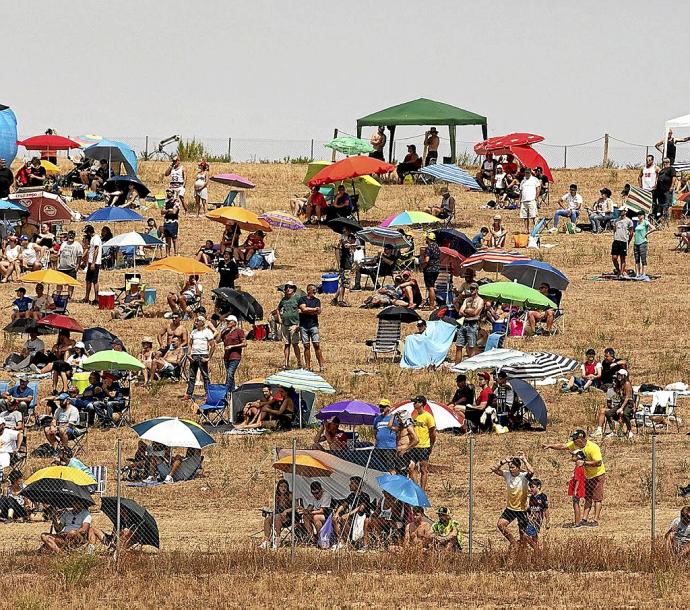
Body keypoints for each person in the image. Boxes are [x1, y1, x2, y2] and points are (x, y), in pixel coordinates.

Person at [544, 429, 606, 526]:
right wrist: (550, 446)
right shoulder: (575, 444)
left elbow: (598, 462)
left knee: (597, 498)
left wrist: (584, 463)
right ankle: (584, 519)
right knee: (588, 497)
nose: (573, 441)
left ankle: (595, 520)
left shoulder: (593, 447)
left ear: (581, 438)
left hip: (597, 474)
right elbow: (563, 446)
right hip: (587, 475)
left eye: (575, 439)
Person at [491, 454, 534, 548]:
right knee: (500, 525)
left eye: (513, 467)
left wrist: (524, 460)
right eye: (510, 467)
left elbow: (531, 471)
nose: (511, 469)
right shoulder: (507, 474)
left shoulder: (524, 476)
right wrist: (503, 461)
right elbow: (493, 469)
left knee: (523, 534)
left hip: (522, 510)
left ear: (518, 468)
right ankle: (514, 543)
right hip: (510, 508)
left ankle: (529, 551)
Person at [332, 476, 371, 550]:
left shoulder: (365, 495)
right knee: (335, 519)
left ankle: (348, 542)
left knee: (344, 519)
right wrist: (337, 513)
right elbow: (344, 505)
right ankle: (341, 541)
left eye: (352, 483)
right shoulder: (351, 495)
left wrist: (348, 514)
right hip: (352, 517)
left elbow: (361, 508)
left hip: (360, 517)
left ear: (358, 485)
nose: (349, 485)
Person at [184, 316, 216, 400]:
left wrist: (209, 357)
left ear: (202, 322)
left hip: (203, 354)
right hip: (194, 355)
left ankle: (208, 393)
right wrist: (189, 354)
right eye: (196, 320)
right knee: (191, 375)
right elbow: (190, 344)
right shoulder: (193, 332)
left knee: (205, 376)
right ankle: (189, 393)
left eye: (198, 321)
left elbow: (212, 345)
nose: (196, 322)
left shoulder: (207, 332)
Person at [408, 396, 436, 491]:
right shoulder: (414, 416)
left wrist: (431, 444)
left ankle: (422, 490)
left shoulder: (428, 416)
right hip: (414, 446)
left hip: (424, 446)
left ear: (421, 404)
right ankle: (416, 489)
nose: (414, 404)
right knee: (412, 468)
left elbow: (432, 432)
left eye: (416, 402)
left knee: (423, 469)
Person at [597, 369, 634, 439]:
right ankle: (613, 431)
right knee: (608, 413)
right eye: (618, 375)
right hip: (621, 402)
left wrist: (621, 408)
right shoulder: (619, 384)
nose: (619, 376)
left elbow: (627, 398)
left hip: (628, 403)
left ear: (625, 376)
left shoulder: (627, 384)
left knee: (625, 414)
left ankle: (629, 430)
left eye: (621, 375)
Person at [455, 282, 484, 363]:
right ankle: (457, 365)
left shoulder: (480, 300)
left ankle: (471, 367)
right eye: (470, 288)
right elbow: (460, 312)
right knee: (459, 346)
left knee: (471, 347)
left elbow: (475, 313)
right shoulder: (467, 300)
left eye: (473, 289)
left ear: (477, 290)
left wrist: (467, 311)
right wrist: (468, 311)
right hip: (464, 323)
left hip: (473, 324)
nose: (472, 290)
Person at [298, 284, 324, 372]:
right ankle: (308, 366)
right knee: (306, 346)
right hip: (303, 326)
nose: (315, 291)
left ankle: (321, 365)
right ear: (309, 290)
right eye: (314, 290)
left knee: (317, 345)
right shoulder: (302, 299)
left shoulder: (317, 300)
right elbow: (303, 309)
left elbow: (319, 311)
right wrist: (313, 310)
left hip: (314, 325)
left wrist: (306, 311)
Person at [260, 479, 292, 550]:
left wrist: (287, 510)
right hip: (277, 515)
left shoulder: (290, 495)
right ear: (278, 487)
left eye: (285, 487)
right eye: (281, 486)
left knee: (277, 517)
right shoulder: (277, 496)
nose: (283, 488)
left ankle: (277, 538)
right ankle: (267, 541)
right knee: (267, 519)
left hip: (288, 517)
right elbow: (275, 508)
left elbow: (296, 507)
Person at [277, 281, 302, 369]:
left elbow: (302, 309)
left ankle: (299, 362)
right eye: (287, 287)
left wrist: (299, 324)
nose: (288, 289)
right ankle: (286, 363)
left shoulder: (298, 298)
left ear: (294, 289)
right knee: (286, 344)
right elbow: (278, 309)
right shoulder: (283, 300)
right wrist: (279, 318)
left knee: (295, 344)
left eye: (290, 287)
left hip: (294, 324)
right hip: (285, 324)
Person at [387, 408, 418, 475]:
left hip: (405, 453)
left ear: (403, 418)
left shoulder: (409, 427)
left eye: (398, 418)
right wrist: (393, 415)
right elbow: (389, 426)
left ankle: (413, 485)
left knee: (408, 471)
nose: (397, 419)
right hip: (398, 452)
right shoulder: (399, 428)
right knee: (399, 472)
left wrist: (406, 449)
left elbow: (416, 440)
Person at [220, 315, 245, 396]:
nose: (227, 322)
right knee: (230, 375)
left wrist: (232, 346)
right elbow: (217, 340)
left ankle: (226, 392)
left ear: (234, 322)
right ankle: (233, 391)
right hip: (227, 357)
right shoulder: (226, 332)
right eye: (227, 321)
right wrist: (222, 331)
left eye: (229, 321)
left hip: (235, 356)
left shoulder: (239, 331)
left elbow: (245, 343)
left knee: (230, 374)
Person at [55, 230, 83, 298]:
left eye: (72, 235)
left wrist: (77, 266)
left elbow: (79, 256)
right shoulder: (64, 244)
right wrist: (57, 264)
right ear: (67, 236)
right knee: (59, 283)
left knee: (71, 283)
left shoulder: (77, 245)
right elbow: (59, 254)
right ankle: (58, 295)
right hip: (61, 267)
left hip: (71, 268)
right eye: (69, 234)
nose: (71, 236)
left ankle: (69, 296)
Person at [372, 399, 398, 471]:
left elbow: (398, 430)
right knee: (380, 468)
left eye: (383, 406)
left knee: (390, 467)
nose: (381, 408)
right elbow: (375, 431)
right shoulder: (377, 419)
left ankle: (392, 480)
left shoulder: (393, 418)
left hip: (389, 447)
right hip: (379, 447)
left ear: (388, 407)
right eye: (380, 406)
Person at [333, 230, 357, 307]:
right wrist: (352, 245)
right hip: (345, 266)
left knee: (342, 283)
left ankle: (335, 299)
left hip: (344, 266)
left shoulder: (344, 244)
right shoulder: (344, 243)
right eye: (352, 239)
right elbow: (346, 246)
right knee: (344, 284)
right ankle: (341, 300)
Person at [81, 225, 101, 305]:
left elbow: (96, 250)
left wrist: (93, 262)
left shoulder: (96, 238)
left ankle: (96, 298)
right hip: (90, 262)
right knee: (88, 280)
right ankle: (87, 297)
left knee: (94, 281)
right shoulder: (93, 238)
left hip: (95, 263)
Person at [525, 478, 549, 545]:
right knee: (534, 535)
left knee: (525, 535)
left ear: (538, 486)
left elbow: (546, 509)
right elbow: (527, 508)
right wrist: (528, 498)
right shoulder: (531, 497)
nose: (531, 489)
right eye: (530, 487)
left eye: (533, 487)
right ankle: (536, 550)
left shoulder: (543, 496)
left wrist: (547, 522)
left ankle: (536, 548)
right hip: (529, 519)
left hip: (537, 520)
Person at [611, 209, 633, 276]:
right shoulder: (616, 220)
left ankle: (621, 272)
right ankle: (618, 270)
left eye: (622, 211)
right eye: (620, 211)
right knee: (614, 258)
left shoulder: (629, 221)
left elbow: (631, 232)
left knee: (622, 258)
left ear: (625, 212)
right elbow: (614, 230)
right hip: (616, 240)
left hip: (623, 241)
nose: (620, 212)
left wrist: (628, 241)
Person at [567, 450, 586, 528]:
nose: (572, 457)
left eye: (573, 455)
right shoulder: (579, 466)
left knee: (576, 504)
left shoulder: (578, 467)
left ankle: (577, 522)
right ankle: (577, 522)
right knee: (575, 504)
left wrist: (575, 490)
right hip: (577, 487)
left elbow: (578, 479)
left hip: (577, 489)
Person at [632, 212, 655, 277]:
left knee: (643, 258)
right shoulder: (637, 222)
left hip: (643, 242)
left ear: (643, 216)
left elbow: (653, 228)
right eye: (638, 215)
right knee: (636, 259)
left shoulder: (645, 222)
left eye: (640, 215)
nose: (639, 216)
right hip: (636, 242)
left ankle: (643, 273)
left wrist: (646, 233)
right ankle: (637, 273)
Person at [421, 232, 440, 308]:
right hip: (436, 269)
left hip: (429, 270)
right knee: (432, 286)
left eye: (426, 238)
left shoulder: (429, 248)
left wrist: (422, 266)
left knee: (430, 287)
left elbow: (426, 260)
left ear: (429, 239)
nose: (425, 239)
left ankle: (431, 305)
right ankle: (433, 303)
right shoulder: (437, 247)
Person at [519, 167, 541, 232]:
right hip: (524, 200)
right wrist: (519, 200)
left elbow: (538, 187)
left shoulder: (535, 179)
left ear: (530, 173)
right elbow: (521, 191)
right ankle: (526, 229)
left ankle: (535, 229)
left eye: (528, 173)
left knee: (533, 215)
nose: (526, 174)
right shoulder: (523, 181)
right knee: (525, 216)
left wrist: (536, 196)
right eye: (525, 173)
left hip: (532, 200)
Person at [161, 188, 181, 256]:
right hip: (166, 222)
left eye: (169, 192)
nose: (168, 193)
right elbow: (162, 212)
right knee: (167, 239)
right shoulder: (166, 202)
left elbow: (174, 212)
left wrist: (167, 211)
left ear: (172, 193)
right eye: (167, 192)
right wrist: (168, 210)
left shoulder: (176, 201)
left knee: (174, 238)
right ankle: (167, 254)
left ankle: (176, 253)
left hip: (173, 222)